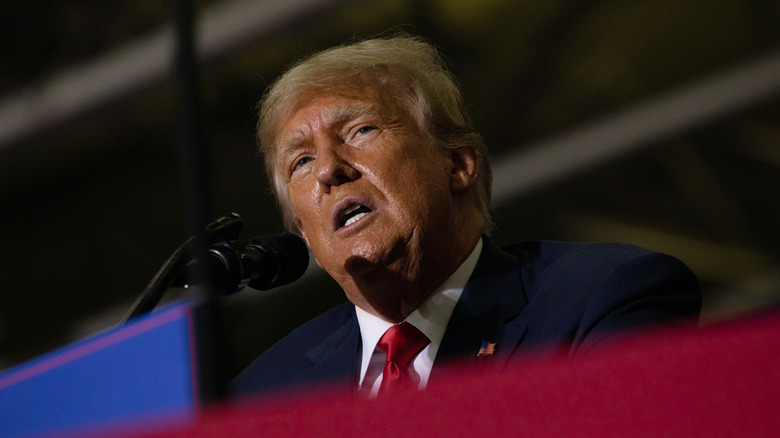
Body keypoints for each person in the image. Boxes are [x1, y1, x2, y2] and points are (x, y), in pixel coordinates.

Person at [229, 35, 701, 399]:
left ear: (458, 165)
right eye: (301, 162)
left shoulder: (601, 296)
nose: (330, 169)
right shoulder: (262, 394)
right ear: (302, 230)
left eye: (361, 129)